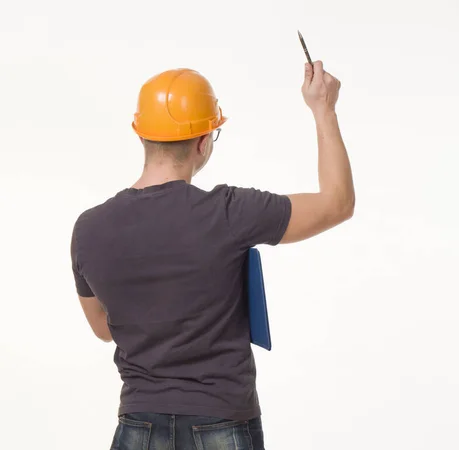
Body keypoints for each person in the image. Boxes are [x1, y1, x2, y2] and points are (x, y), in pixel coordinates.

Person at [70, 60, 354, 450]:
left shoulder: (89, 229)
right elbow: (337, 203)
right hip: (221, 423)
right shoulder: (230, 212)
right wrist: (324, 108)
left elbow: (103, 329)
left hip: (138, 427)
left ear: (142, 135)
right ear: (203, 142)